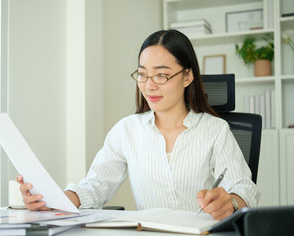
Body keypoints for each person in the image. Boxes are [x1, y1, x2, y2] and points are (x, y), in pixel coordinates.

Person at [16, 29, 260, 220]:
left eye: (162, 75)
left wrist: (232, 201)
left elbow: (244, 187)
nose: (149, 86)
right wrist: (53, 199)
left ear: (187, 76)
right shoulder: (127, 130)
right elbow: (96, 186)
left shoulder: (215, 130)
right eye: (142, 74)